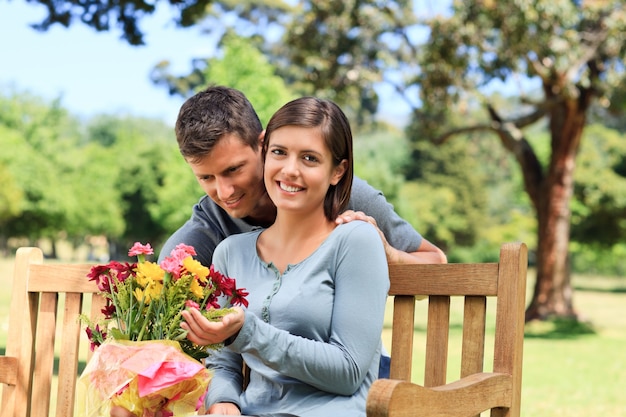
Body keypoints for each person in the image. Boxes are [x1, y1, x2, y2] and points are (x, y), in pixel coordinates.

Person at [180, 96, 389, 416]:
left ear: (337, 171)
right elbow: (222, 363)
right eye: (279, 153)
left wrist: (248, 332)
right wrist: (223, 400)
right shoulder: (230, 253)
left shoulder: (355, 240)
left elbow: (348, 372)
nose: (290, 171)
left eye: (309, 158)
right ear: (265, 153)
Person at [158, 86, 447, 268]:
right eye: (206, 177)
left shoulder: (345, 196)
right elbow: (158, 297)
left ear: (263, 144)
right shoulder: (207, 231)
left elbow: (435, 260)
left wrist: (390, 255)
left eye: (233, 169)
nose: (224, 191)